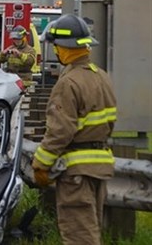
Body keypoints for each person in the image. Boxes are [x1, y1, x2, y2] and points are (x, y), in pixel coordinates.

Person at [31, 14, 117, 245]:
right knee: (91, 231)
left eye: (56, 46)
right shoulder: (102, 77)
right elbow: (109, 123)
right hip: (99, 167)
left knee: (79, 237)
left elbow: (60, 131)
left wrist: (41, 163)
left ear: (63, 48)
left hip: (76, 173)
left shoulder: (69, 82)